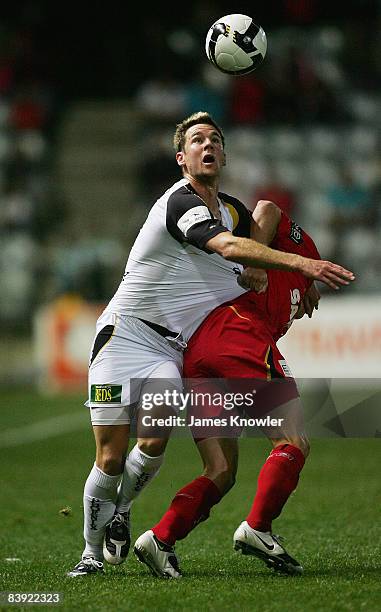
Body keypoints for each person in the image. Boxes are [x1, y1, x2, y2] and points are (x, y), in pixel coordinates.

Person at [67, 111, 354, 577]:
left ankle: (122, 512)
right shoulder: (180, 203)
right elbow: (226, 246)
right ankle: (89, 553)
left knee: (155, 440)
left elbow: (264, 216)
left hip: (173, 349)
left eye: (216, 140)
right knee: (111, 456)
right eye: (198, 140)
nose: (208, 146)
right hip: (123, 335)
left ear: (223, 154)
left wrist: (279, 265)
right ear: (182, 158)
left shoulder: (230, 209)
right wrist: (304, 266)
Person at [132, 200, 327, 578]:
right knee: (293, 441)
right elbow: (268, 210)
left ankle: (160, 538)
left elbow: (290, 271)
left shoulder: (303, 281)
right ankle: (258, 528)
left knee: (220, 470)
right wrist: (265, 263)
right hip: (236, 333)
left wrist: (309, 283)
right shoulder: (303, 248)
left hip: (202, 353)